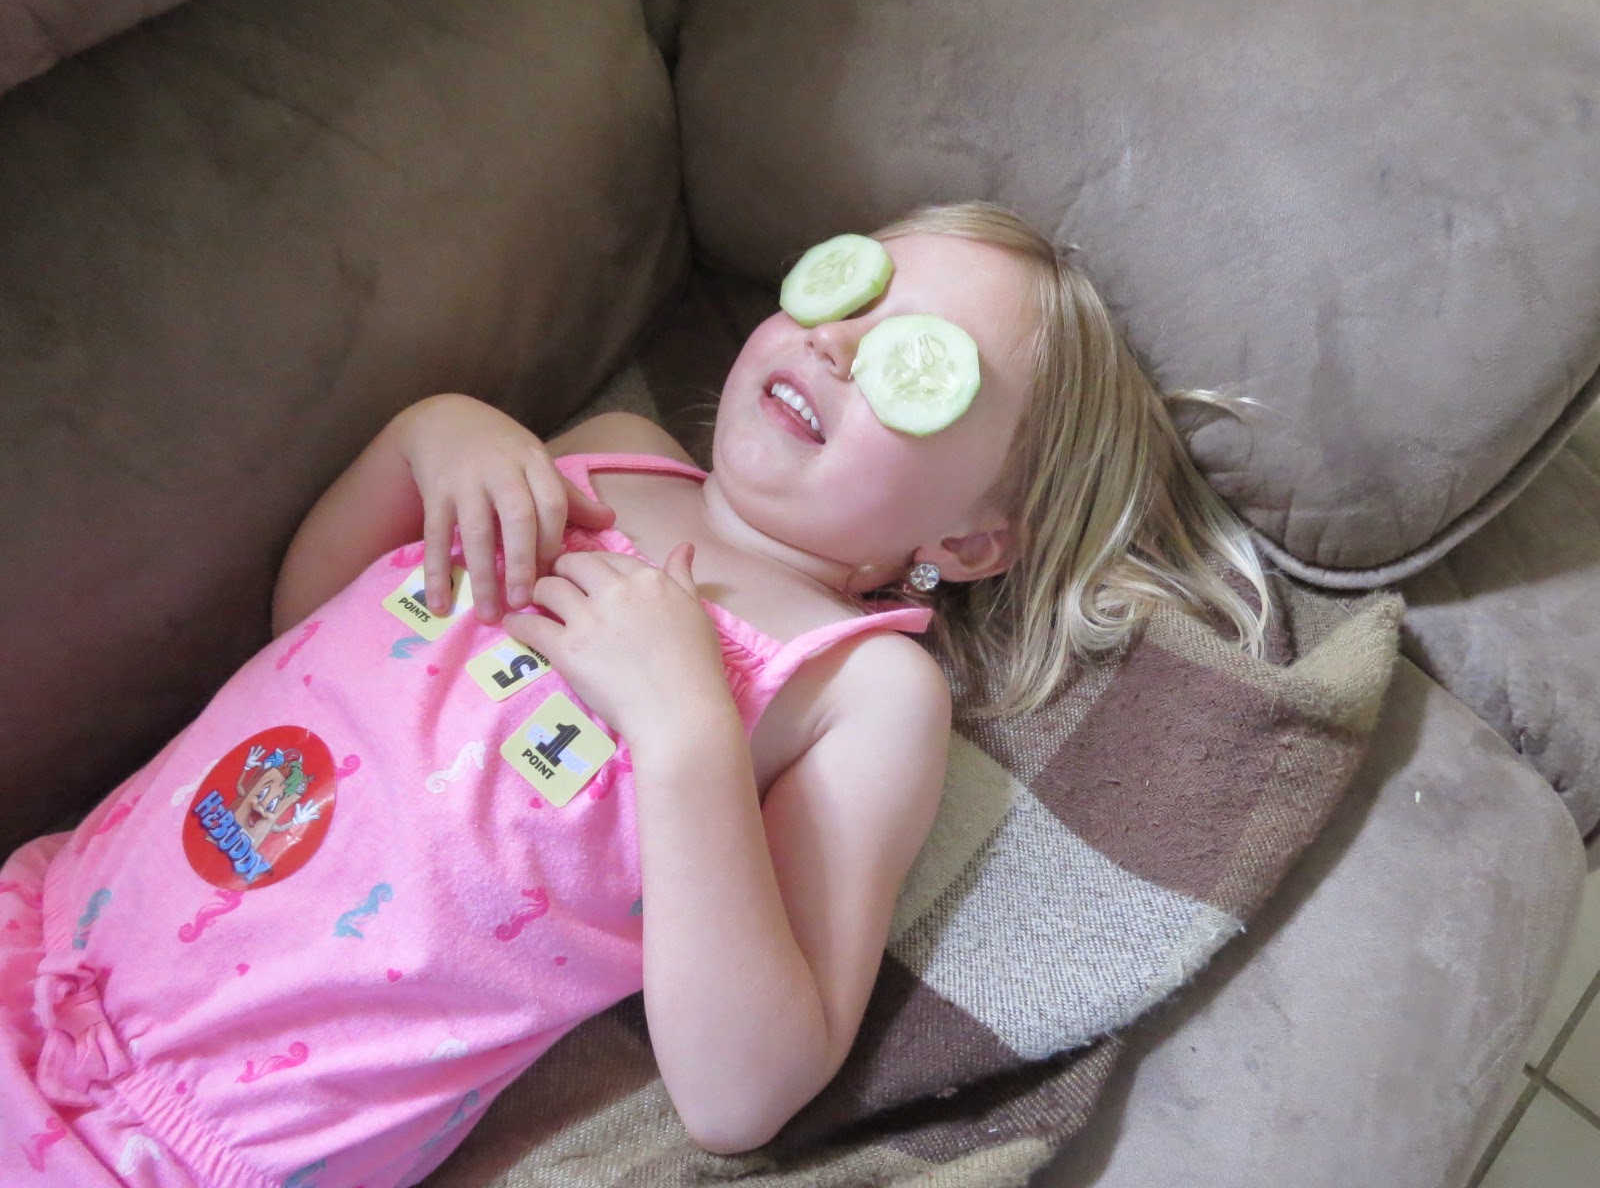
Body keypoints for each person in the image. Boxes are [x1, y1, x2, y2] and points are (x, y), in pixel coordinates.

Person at [0, 202, 1269, 1187]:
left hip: (204, 1141)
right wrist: (431, 435)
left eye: (915, 366)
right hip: (42, 920)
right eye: (848, 288)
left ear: (972, 540)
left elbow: (740, 1092)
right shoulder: (611, 458)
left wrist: (685, 728)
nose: (835, 341)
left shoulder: (862, 689)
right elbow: (309, 631)